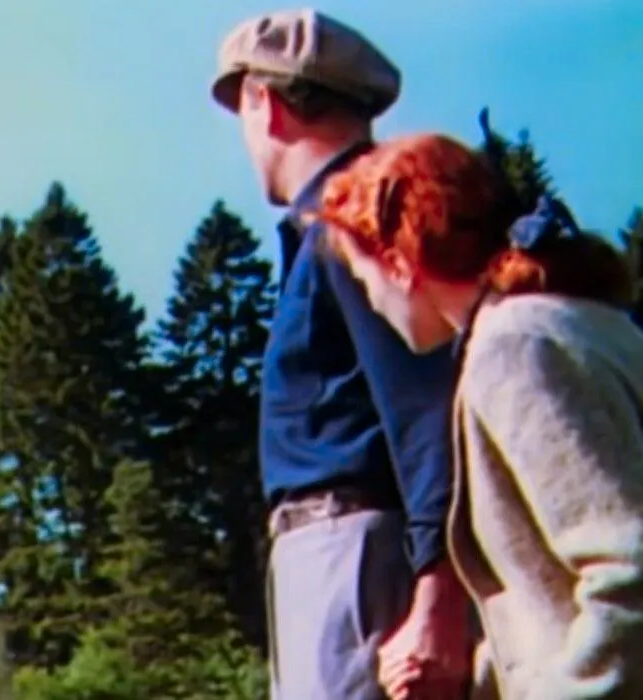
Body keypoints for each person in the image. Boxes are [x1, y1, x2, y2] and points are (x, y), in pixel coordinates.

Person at [322, 132, 643, 700]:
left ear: (399, 265)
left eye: (362, 275)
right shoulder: (585, 322)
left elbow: (627, 572)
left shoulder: (514, 348)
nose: (368, 300)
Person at [210, 9, 471, 699]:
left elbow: (426, 408)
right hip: (332, 559)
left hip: (356, 555)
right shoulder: (340, 222)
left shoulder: (354, 221)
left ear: (263, 103)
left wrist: (436, 590)